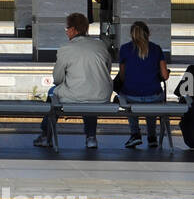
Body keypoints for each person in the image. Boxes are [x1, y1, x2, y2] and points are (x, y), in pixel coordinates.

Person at [34, 12, 111, 149]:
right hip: (101, 95)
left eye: (67, 29)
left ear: (73, 29)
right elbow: (107, 70)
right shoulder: (100, 45)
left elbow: (57, 79)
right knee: (91, 95)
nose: (66, 32)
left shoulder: (66, 49)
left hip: (76, 95)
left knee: (53, 93)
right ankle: (91, 137)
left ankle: (46, 136)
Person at [116, 21, 170, 148]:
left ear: (131, 34)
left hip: (131, 95)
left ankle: (135, 134)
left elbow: (122, 75)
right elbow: (165, 76)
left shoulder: (124, 49)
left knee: (127, 97)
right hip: (154, 95)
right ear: (148, 33)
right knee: (151, 102)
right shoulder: (156, 49)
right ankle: (152, 137)